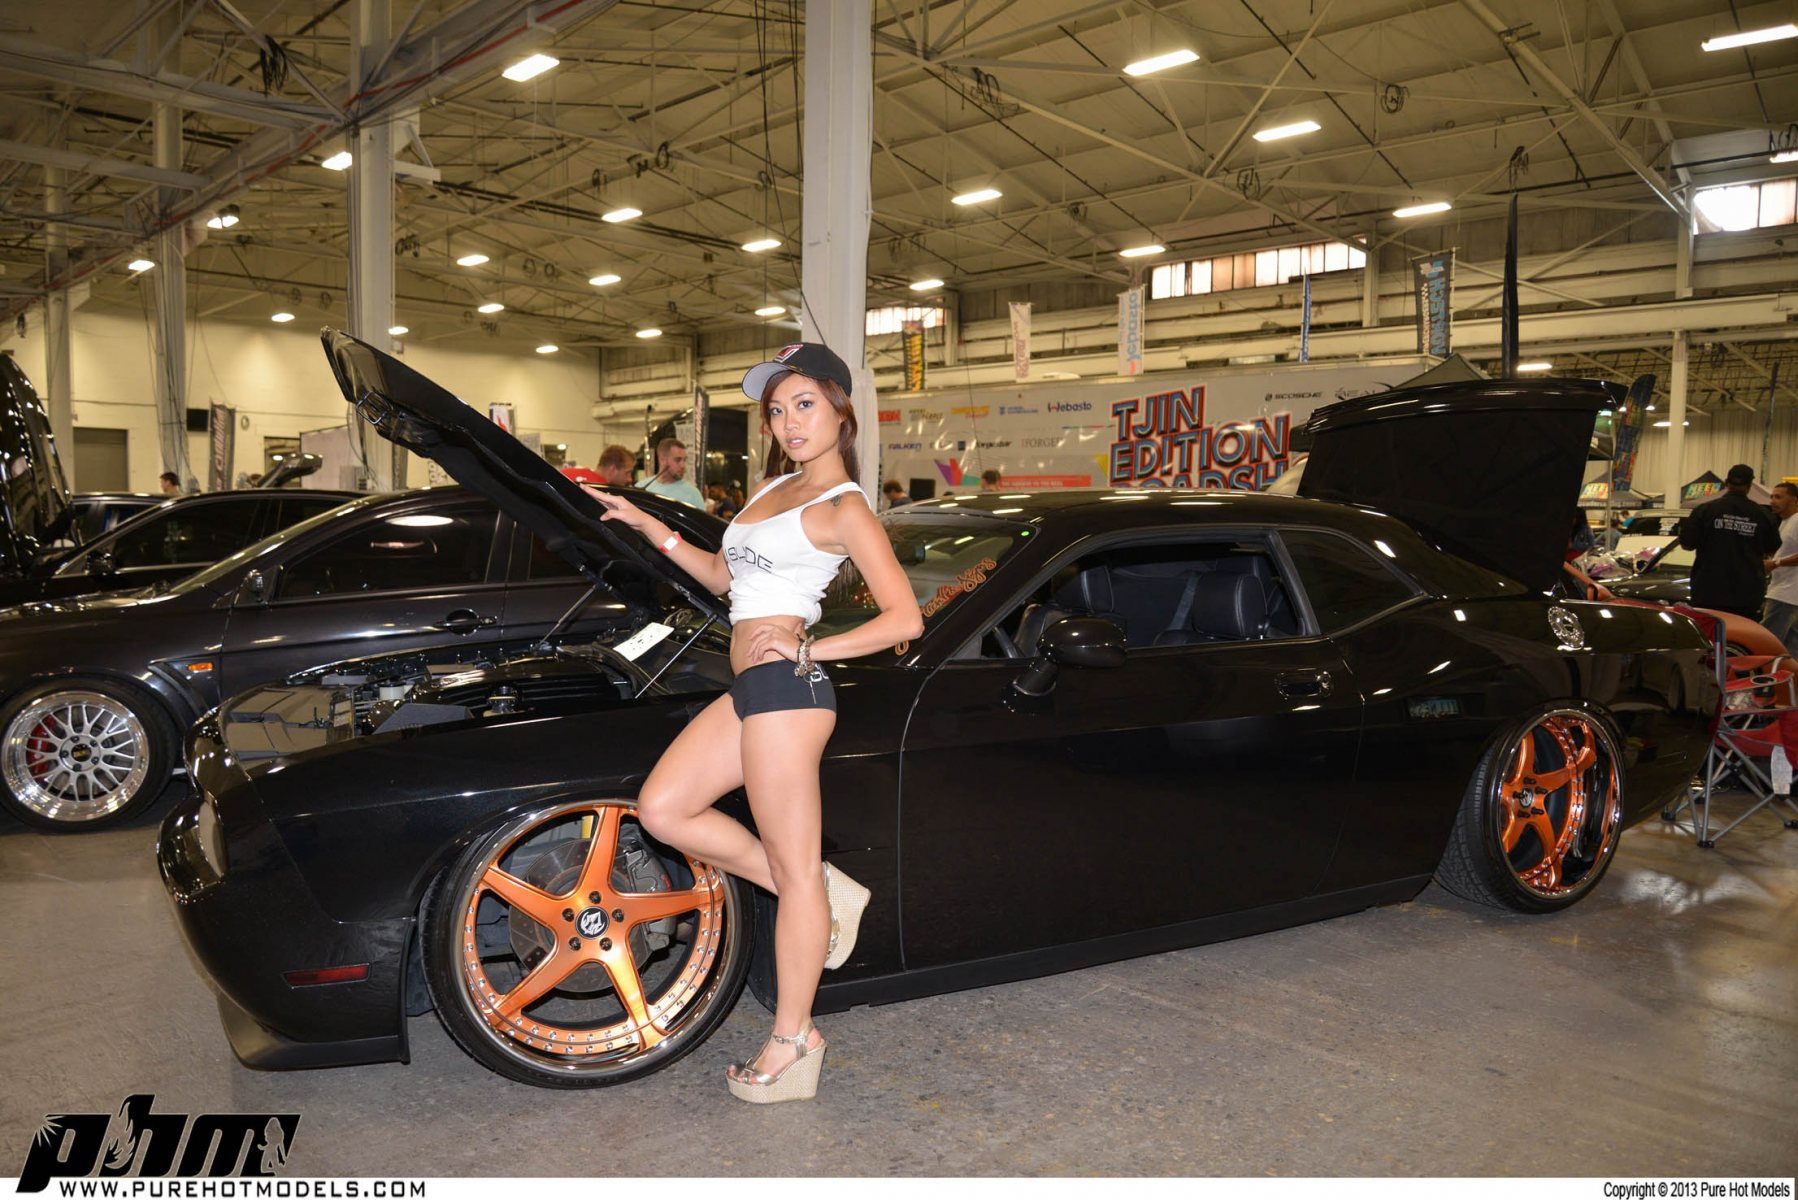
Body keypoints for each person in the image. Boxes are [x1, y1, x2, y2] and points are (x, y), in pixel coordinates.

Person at [583, 342, 922, 1103]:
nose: (789, 421)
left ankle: (795, 1039)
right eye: (777, 410)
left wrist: (810, 647)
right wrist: (648, 524)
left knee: (792, 874)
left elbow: (905, 619)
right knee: (664, 809)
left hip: (790, 693)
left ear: (841, 411)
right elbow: (720, 575)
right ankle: (817, 892)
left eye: (805, 404)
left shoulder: (843, 507)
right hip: (751, 688)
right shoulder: (773, 490)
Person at [1680, 463, 1781, 619]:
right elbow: (1772, 548)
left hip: (1708, 589)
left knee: (1709, 631)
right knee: (1741, 633)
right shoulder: (1763, 515)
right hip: (1747, 592)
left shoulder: (1704, 510)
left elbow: (1687, 544)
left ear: (1727, 483)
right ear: (1749, 486)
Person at [1761, 481, 1798, 652]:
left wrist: (1776, 563)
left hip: (1785, 595)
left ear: (1794, 500)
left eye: (1778, 497)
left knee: (1766, 643)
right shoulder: (1785, 522)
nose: (1772, 501)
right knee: (1790, 648)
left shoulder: (1796, 521)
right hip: (1786, 593)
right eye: (1771, 497)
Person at [639, 437, 704, 509]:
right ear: (662, 460)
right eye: (678, 460)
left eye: (684, 460)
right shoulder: (641, 487)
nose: (683, 465)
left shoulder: (693, 494)